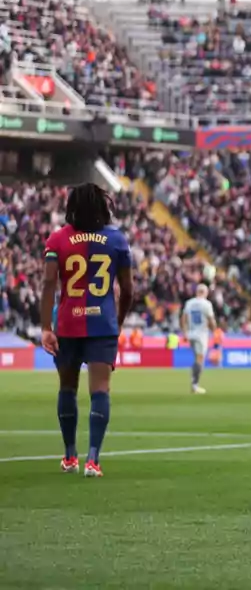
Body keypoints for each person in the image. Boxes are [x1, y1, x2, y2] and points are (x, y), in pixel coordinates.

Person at [40, 183, 133, 478]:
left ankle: (70, 456)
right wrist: (117, 321)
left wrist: (45, 327)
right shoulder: (116, 240)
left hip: (68, 322)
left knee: (67, 387)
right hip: (103, 323)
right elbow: (128, 290)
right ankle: (93, 459)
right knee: (100, 390)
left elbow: (48, 284)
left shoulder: (57, 239)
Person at [181, 284, 217, 394]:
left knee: (197, 358)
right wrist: (214, 330)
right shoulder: (207, 304)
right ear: (205, 293)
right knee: (200, 359)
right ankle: (195, 385)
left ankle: (194, 383)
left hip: (191, 334)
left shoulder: (189, 303)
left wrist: (185, 333)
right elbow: (211, 320)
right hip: (201, 335)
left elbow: (183, 319)